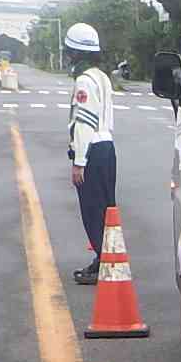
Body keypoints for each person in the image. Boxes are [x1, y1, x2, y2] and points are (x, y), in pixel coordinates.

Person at [64, 22, 116, 285]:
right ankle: (107, 258)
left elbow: (84, 123)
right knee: (107, 208)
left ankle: (103, 262)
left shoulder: (84, 80)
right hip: (108, 148)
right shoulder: (103, 77)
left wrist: (79, 162)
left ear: (74, 54)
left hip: (92, 151)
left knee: (93, 210)